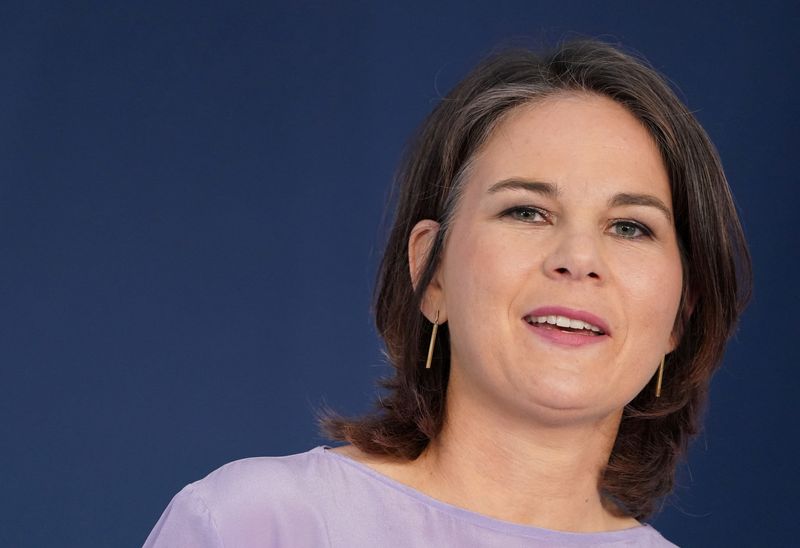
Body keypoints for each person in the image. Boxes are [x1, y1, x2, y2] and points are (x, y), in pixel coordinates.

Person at [143, 39, 751, 547]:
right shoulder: (257, 524)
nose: (578, 260)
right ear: (432, 274)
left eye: (630, 227)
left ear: (680, 313)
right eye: (527, 211)